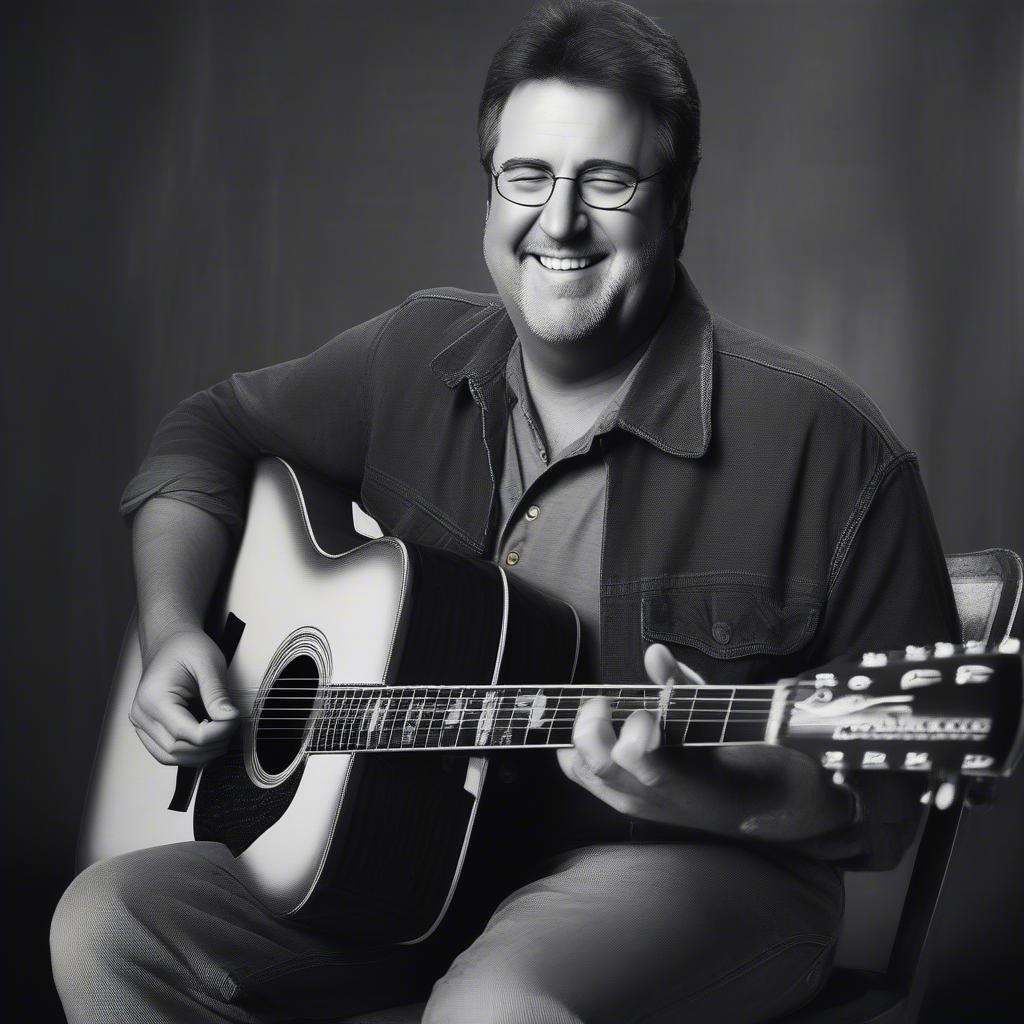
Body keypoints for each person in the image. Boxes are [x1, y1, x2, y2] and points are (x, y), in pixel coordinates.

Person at [51, 2, 961, 1022]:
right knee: (110, 925)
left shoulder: (823, 441)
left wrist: (712, 787)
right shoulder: (411, 354)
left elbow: (891, 791)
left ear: (678, 201)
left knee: (493, 1011)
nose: (558, 221)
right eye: (526, 177)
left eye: (606, 181)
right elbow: (203, 433)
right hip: (400, 855)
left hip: (681, 872)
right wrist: (175, 627)